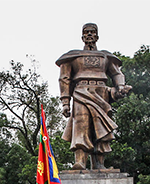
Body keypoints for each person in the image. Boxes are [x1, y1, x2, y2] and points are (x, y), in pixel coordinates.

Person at [55, 23, 132, 170]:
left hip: (102, 93)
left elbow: (117, 73)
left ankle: (99, 164)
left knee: (101, 129)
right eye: (86, 32)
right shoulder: (73, 56)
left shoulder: (105, 56)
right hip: (81, 92)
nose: (89, 34)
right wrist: (65, 102)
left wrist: (120, 86)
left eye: (92, 32)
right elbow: (64, 78)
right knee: (81, 128)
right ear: (82, 36)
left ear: (97, 36)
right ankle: (80, 162)